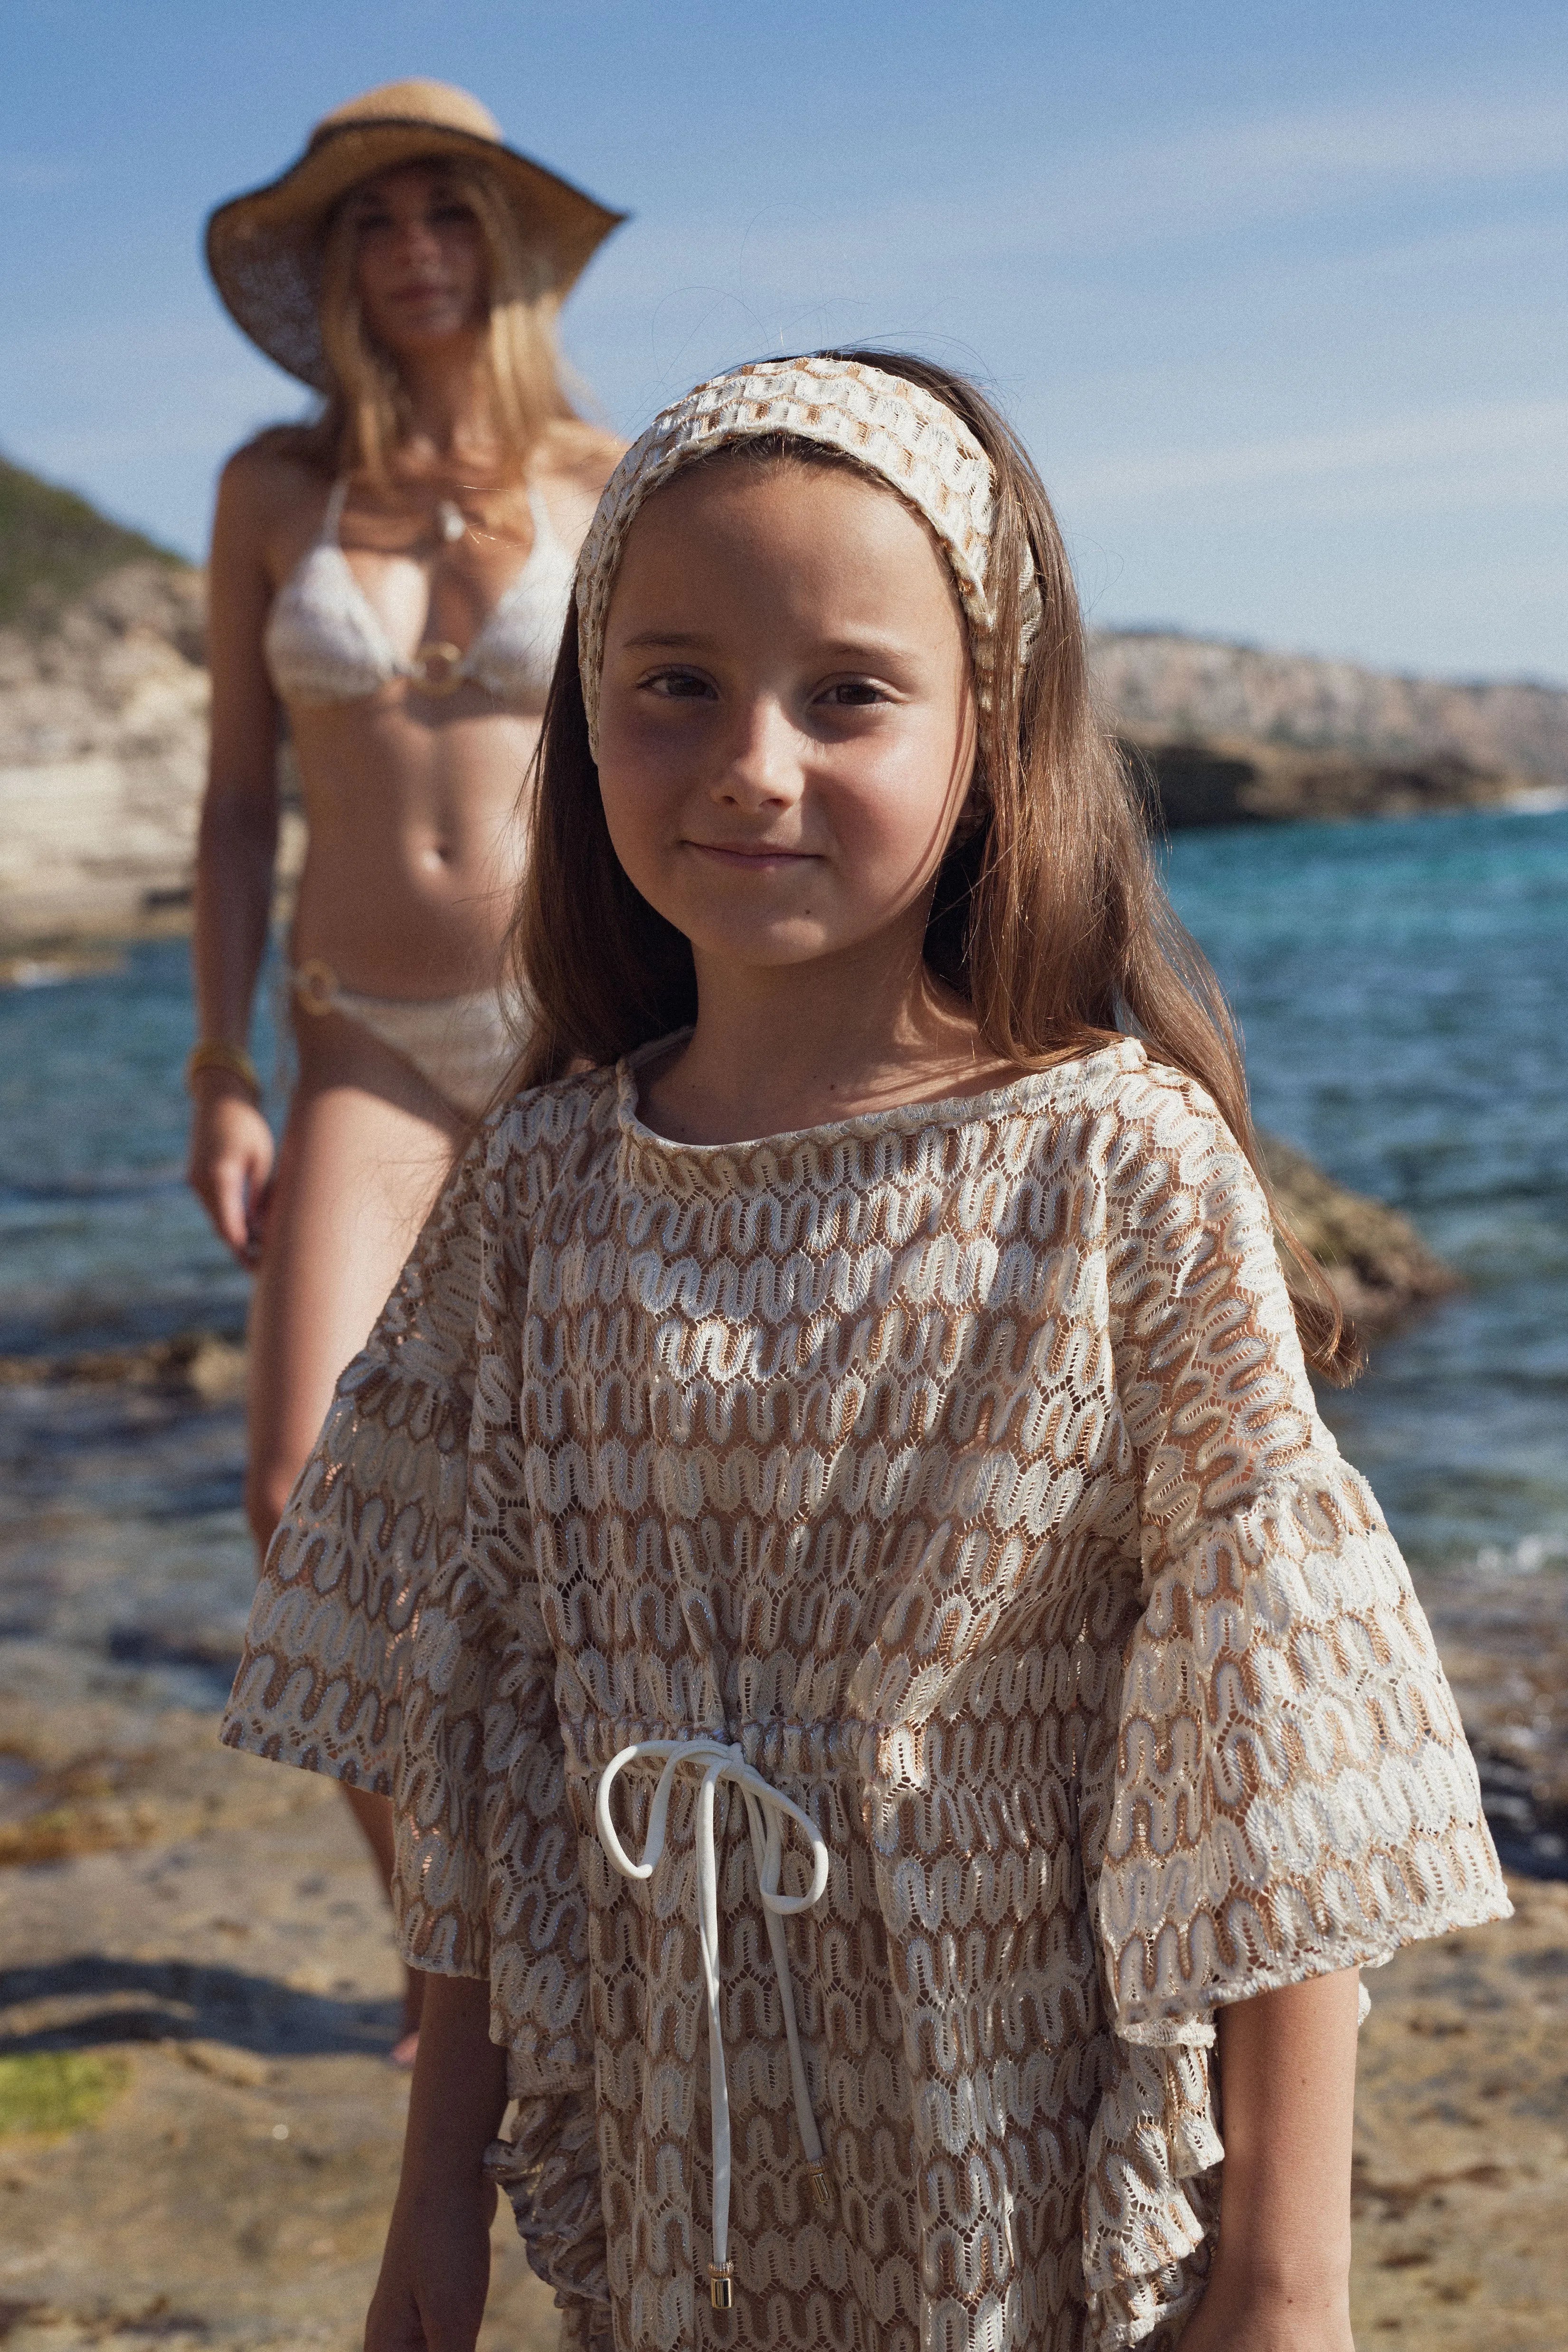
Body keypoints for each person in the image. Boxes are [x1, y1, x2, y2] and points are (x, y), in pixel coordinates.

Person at [221, 353, 1509, 2352]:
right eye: (675, 683)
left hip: (1009, 2145)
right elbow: (485, 1733)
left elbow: (1274, 1738)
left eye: (848, 694)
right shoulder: (543, 1185)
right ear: (581, 715)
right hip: (679, 2170)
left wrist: (1285, 2280)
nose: (753, 763)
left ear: (989, 733)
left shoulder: (1112, 1164)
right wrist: (433, 2215)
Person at [188, 81, 624, 2059]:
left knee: (590, 1519)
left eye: (446, 214)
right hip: (357, 1038)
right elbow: (234, 804)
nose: (414, 250)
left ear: (503, 248)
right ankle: (455, 1966)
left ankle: (622, 1921)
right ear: (335, 267)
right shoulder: (271, 489)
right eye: (372, 223)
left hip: (571, 1037)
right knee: (301, 1489)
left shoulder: (612, 474)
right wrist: (219, 1067)